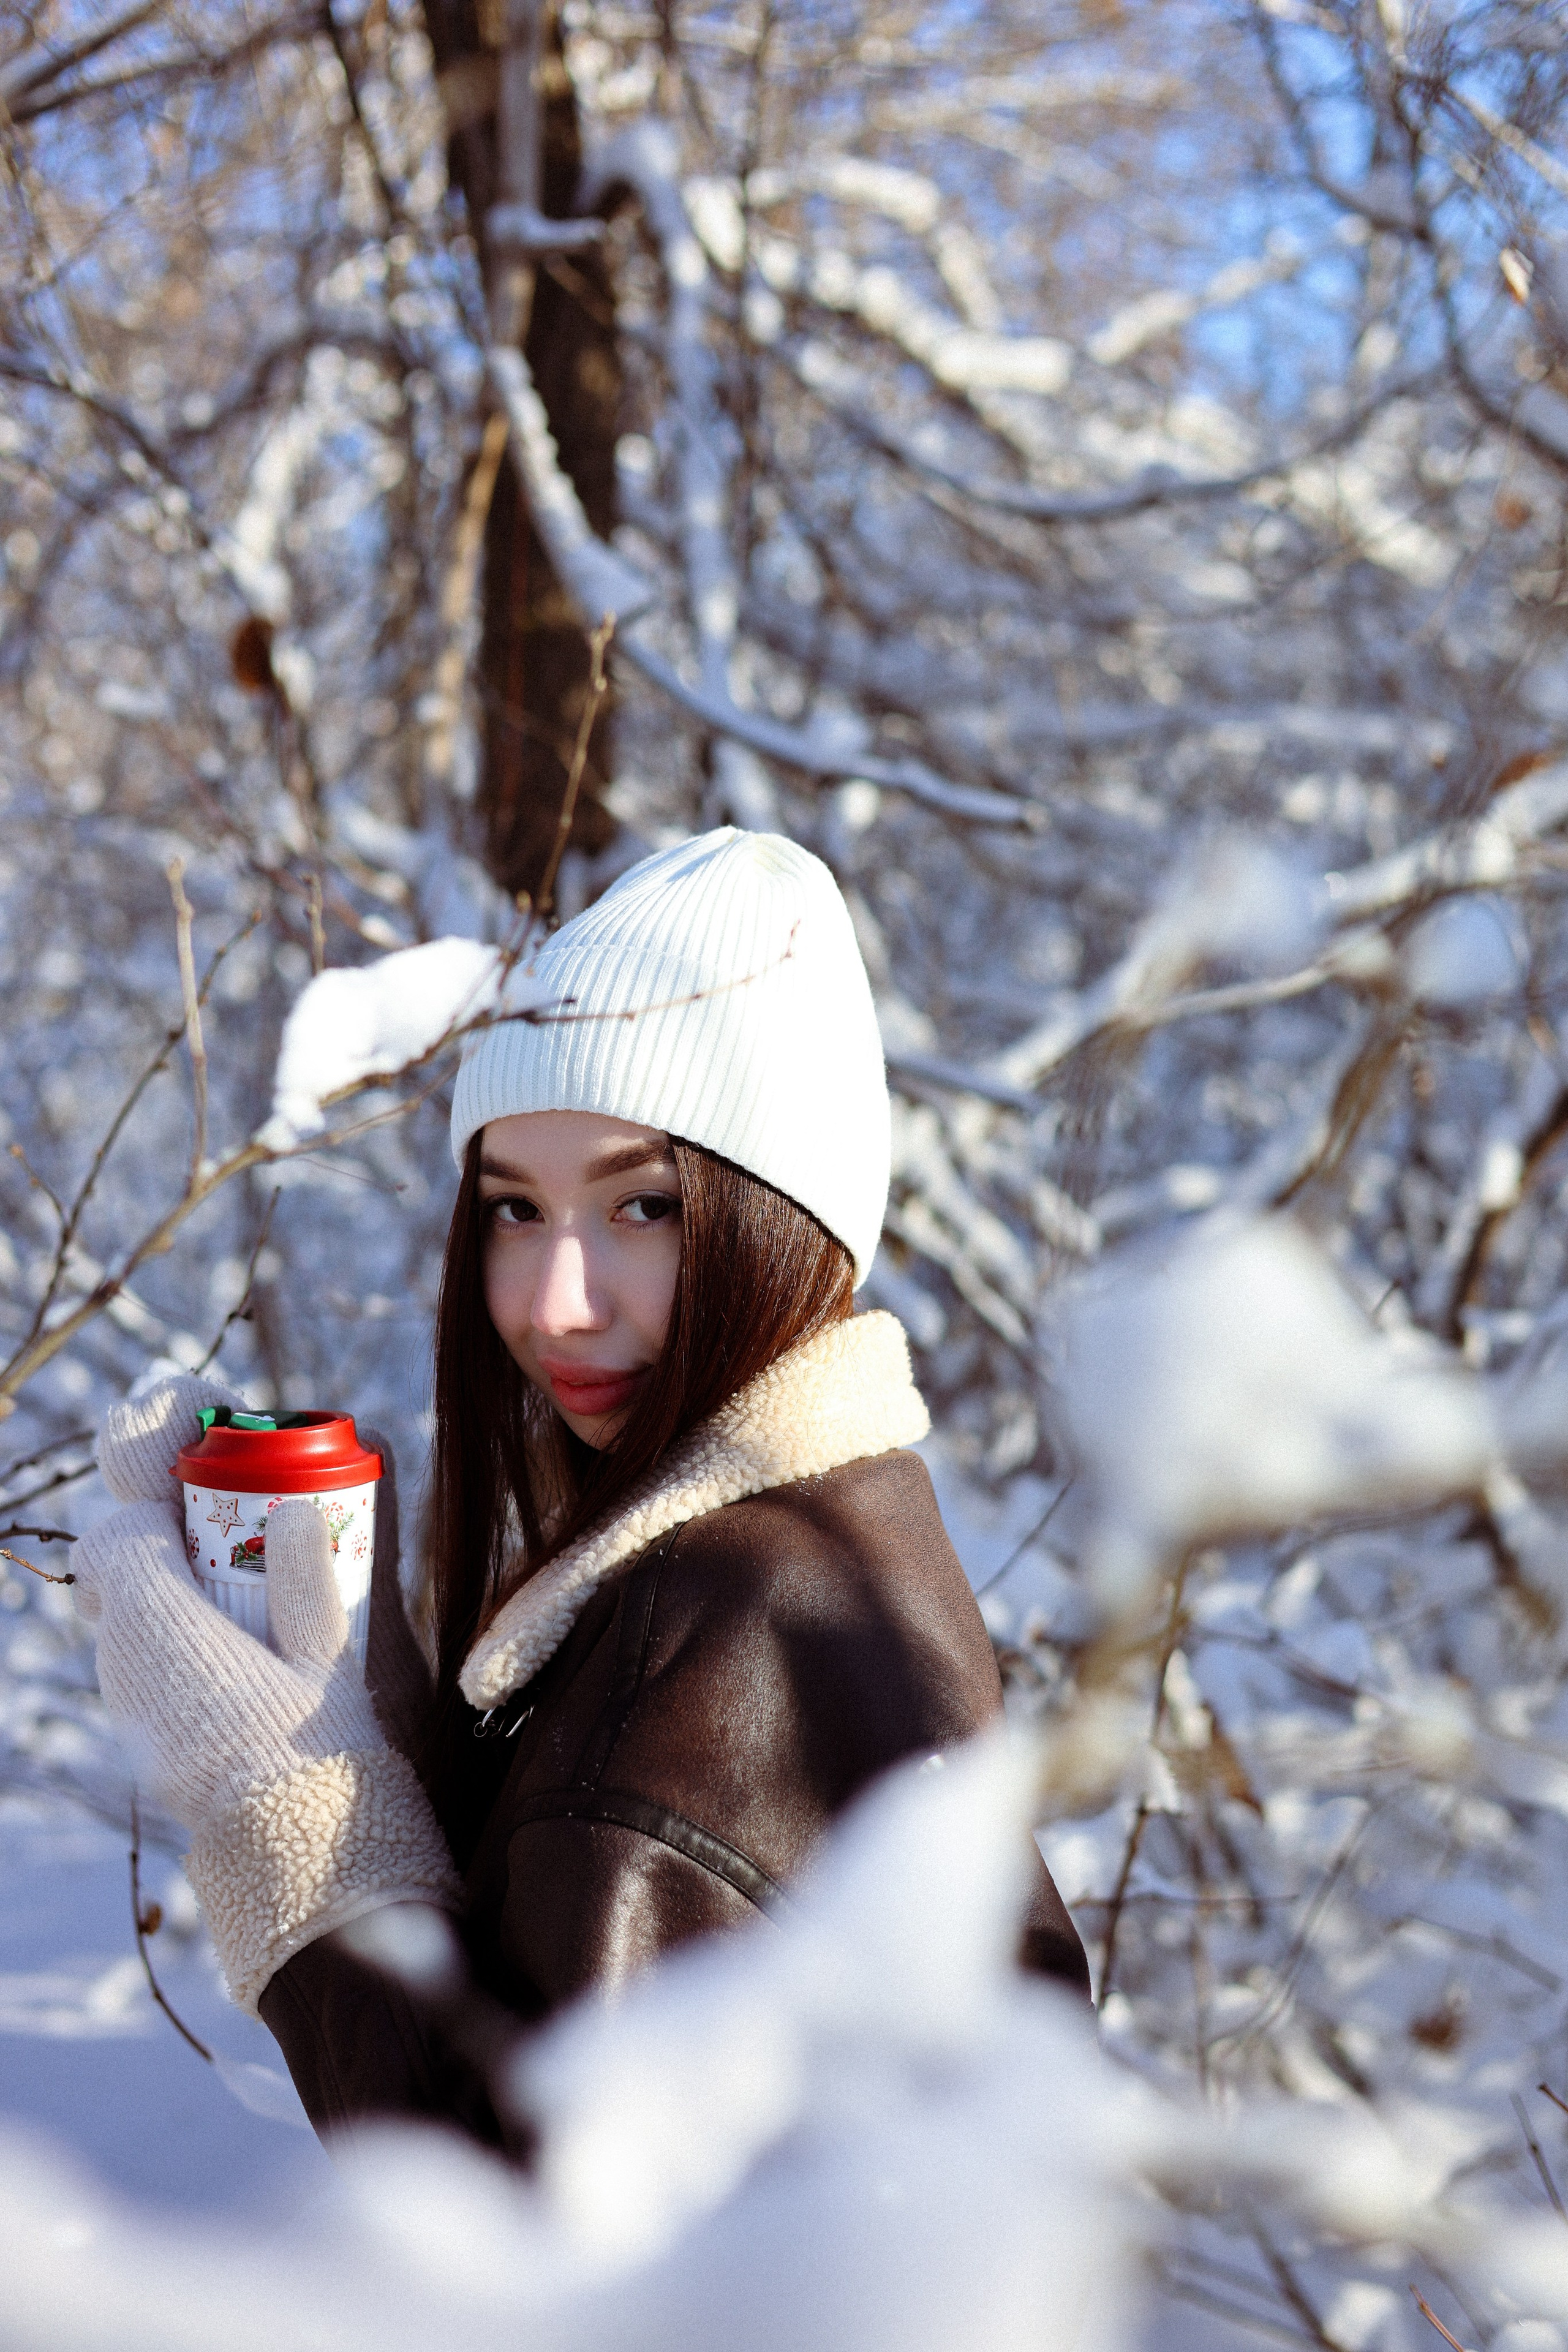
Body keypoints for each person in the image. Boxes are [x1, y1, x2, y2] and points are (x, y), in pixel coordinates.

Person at [74, 828, 1089, 2151]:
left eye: (642, 1207)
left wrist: (289, 1808)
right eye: (512, 1209)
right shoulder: (845, 1526)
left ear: (788, 1219)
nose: (553, 1304)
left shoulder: (731, 1627)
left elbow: (528, 2269)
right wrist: (388, 1734)